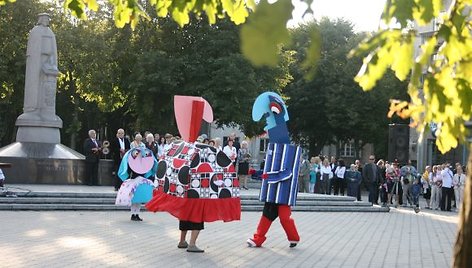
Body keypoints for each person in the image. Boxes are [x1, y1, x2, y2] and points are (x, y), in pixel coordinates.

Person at [115, 147, 157, 221]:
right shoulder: (132, 163)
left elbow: (150, 165)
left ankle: (136, 214)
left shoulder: (144, 165)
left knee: (139, 200)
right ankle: (133, 214)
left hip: (141, 182)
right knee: (134, 199)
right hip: (135, 181)